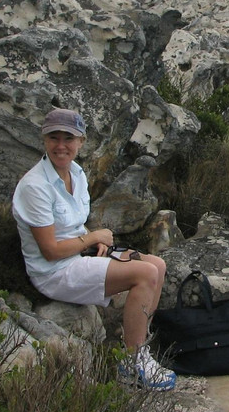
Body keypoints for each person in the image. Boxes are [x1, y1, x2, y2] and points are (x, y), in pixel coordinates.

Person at [12, 107, 176, 390]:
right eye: (54, 138)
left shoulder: (75, 173)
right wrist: (92, 238)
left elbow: (74, 225)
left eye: (68, 138)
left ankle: (140, 346)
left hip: (79, 254)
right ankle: (133, 362)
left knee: (158, 265)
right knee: (145, 274)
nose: (61, 145)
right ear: (44, 140)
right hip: (54, 271)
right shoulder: (35, 186)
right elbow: (50, 250)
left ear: (81, 142)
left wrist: (93, 238)